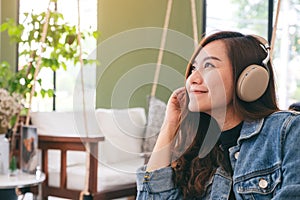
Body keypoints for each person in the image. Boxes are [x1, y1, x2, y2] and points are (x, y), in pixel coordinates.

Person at [136, 31, 300, 199]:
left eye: (209, 66)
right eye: (193, 68)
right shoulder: (198, 149)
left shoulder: (289, 131)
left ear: (248, 77)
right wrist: (169, 125)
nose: (192, 79)